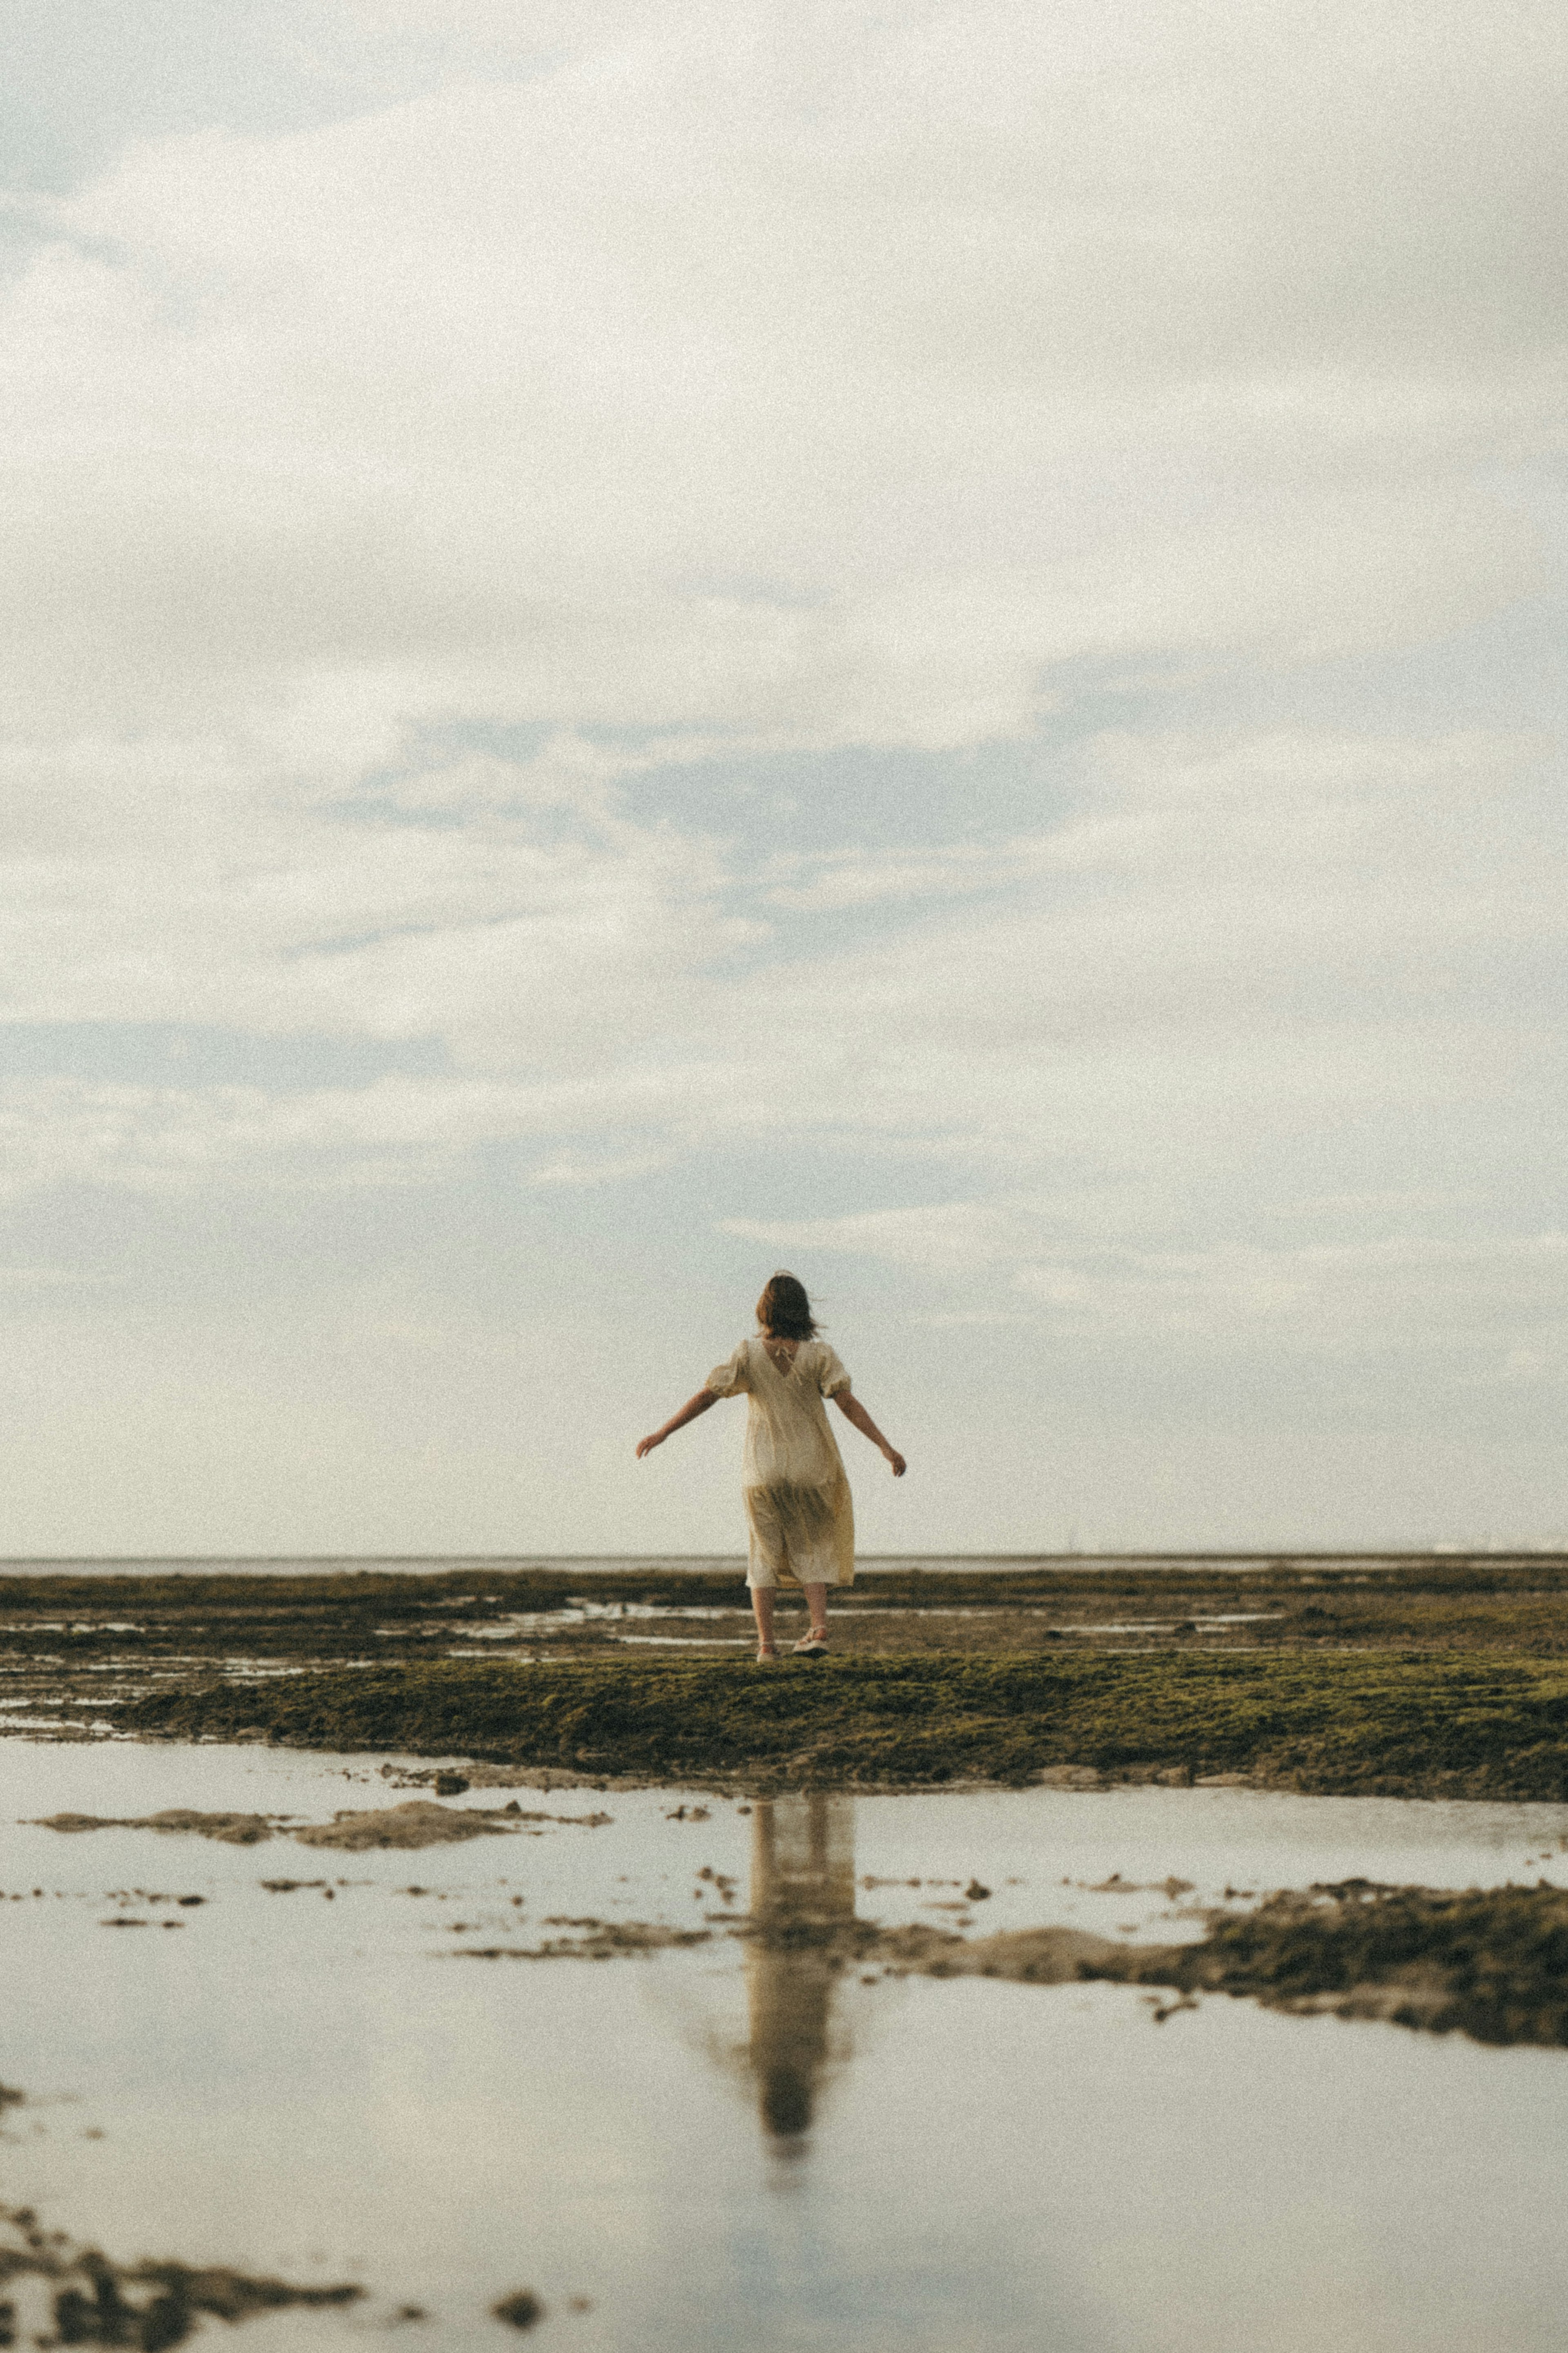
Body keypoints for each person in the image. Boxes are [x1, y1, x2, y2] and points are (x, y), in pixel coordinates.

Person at [635, 1271, 906, 1660]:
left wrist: (662, 1432)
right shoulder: (820, 1356)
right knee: (813, 1546)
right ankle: (818, 1629)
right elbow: (847, 1404)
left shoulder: (747, 1354)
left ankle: (766, 1646)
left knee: (762, 1554)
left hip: (761, 1472)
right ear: (804, 1310)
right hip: (812, 1469)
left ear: (765, 1309)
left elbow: (707, 1396)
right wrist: (885, 1446)